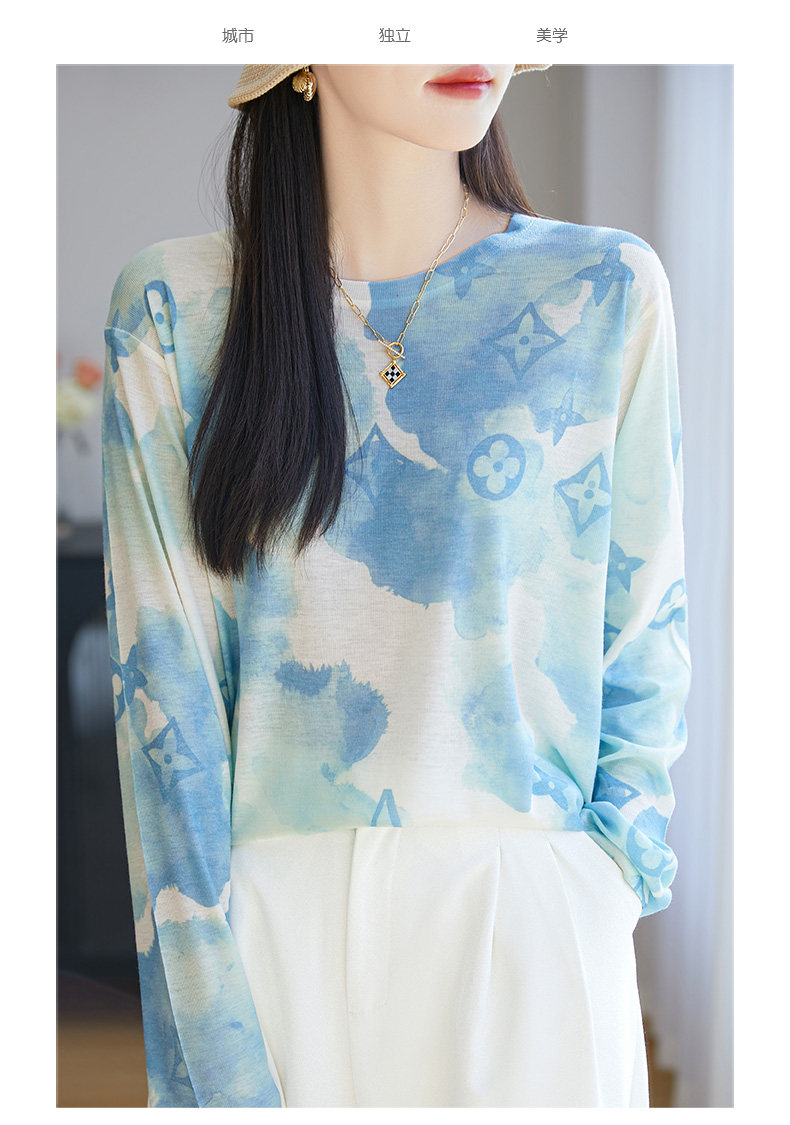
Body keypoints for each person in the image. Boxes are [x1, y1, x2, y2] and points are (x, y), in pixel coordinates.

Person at [101, 63, 692, 1109]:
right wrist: (212, 1040)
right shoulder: (173, 310)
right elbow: (166, 715)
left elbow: (644, 628)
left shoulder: (603, 290)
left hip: (533, 917)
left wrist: (608, 878)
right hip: (274, 936)